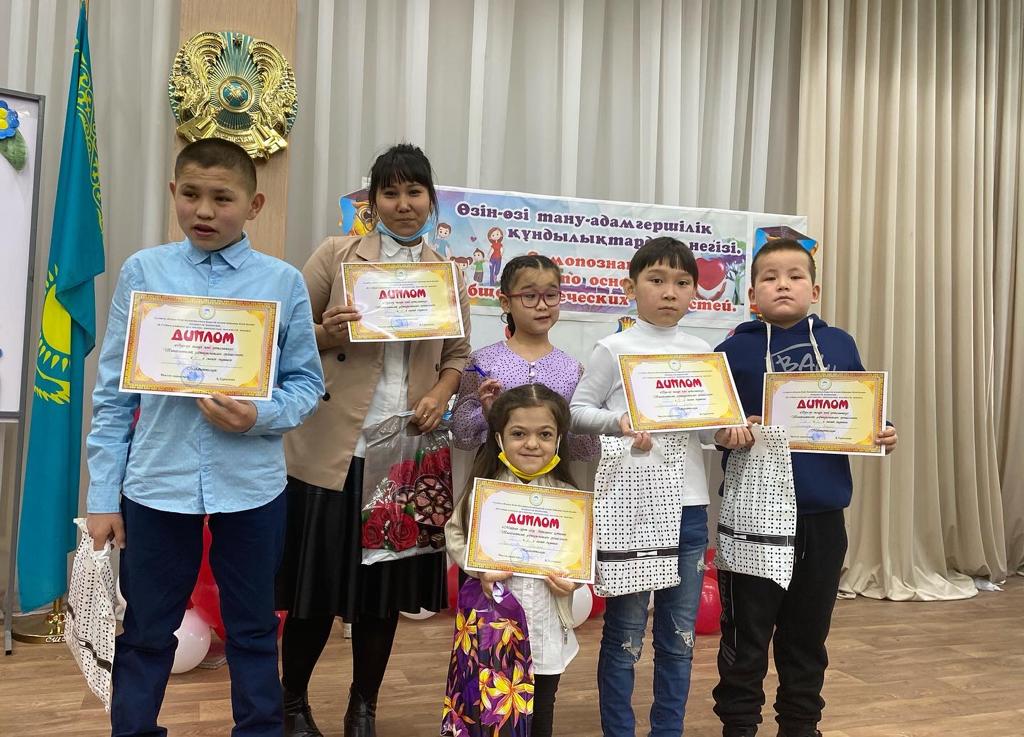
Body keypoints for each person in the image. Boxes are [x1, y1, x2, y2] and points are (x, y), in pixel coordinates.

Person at [85, 138, 325, 737]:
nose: (205, 210)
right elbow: (113, 393)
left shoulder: (283, 282)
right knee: (146, 629)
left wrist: (258, 415)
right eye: (191, 194)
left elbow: (305, 385)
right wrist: (102, 496)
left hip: (252, 487)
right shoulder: (144, 272)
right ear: (173, 193)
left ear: (254, 204)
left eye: (223, 198)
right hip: (156, 483)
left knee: (253, 629)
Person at [276, 143, 471, 737]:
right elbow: (281, 331)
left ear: (431, 200)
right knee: (313, 593)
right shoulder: (336, 255)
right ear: (373, 201)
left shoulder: (447, 274)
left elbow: (458, 355)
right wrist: (325, 331)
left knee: (381, 599)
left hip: (404, 456)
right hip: (331, 451)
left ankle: (363, 708)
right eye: (391, 192)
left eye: (414, 192)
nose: (403, 204)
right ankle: (291, 704)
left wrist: (441, 392)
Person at [711, 238, 898, 737]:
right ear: (752, 294)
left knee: (808, 635)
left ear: (814, 290)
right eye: (770, 277)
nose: (783, 285)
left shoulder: (839, 344)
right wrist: (726, 433)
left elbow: (864, 411)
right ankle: (738, 726)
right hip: (752, 517)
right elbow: (712, 426)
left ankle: (800, 725)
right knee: (745, 637)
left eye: (795, 276)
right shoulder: (731, 351)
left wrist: (882, 431)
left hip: (822, 517)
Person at [570, 237, 711, 737]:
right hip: (632, 506)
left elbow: (710, 431)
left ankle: (667, 730)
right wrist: (618, 423)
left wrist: (737, 428)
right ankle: (619, 730)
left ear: (694, 291)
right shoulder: (614, 348)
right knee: (625, 632)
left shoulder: (703, 353)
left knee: (679, 636)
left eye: (682, 282)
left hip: (690, 508)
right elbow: (576, 412)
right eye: (656, 280)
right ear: (631, 288)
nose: (669, 292)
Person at [445, 384, 581, 737]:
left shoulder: (570, 500)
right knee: (495, 711)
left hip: (546, 627)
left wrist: (574, 582)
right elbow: (454, 533)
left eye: (545, 434)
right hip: (495, 626)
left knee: (542, 709)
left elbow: (581, 558)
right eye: (519, 433)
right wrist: (478, 567)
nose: (532, 444)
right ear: (499, 438)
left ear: (559, 439)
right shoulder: (485, 491)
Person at [451, 254, 598, 461]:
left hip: (553, 475)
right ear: (506, 303)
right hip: (493, 473)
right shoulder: (482, 361)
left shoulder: (573, 370)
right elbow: (460, 431)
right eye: (529, 296)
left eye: (551, 295)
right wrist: (486, 414)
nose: (542, 305)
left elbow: (586, 448)